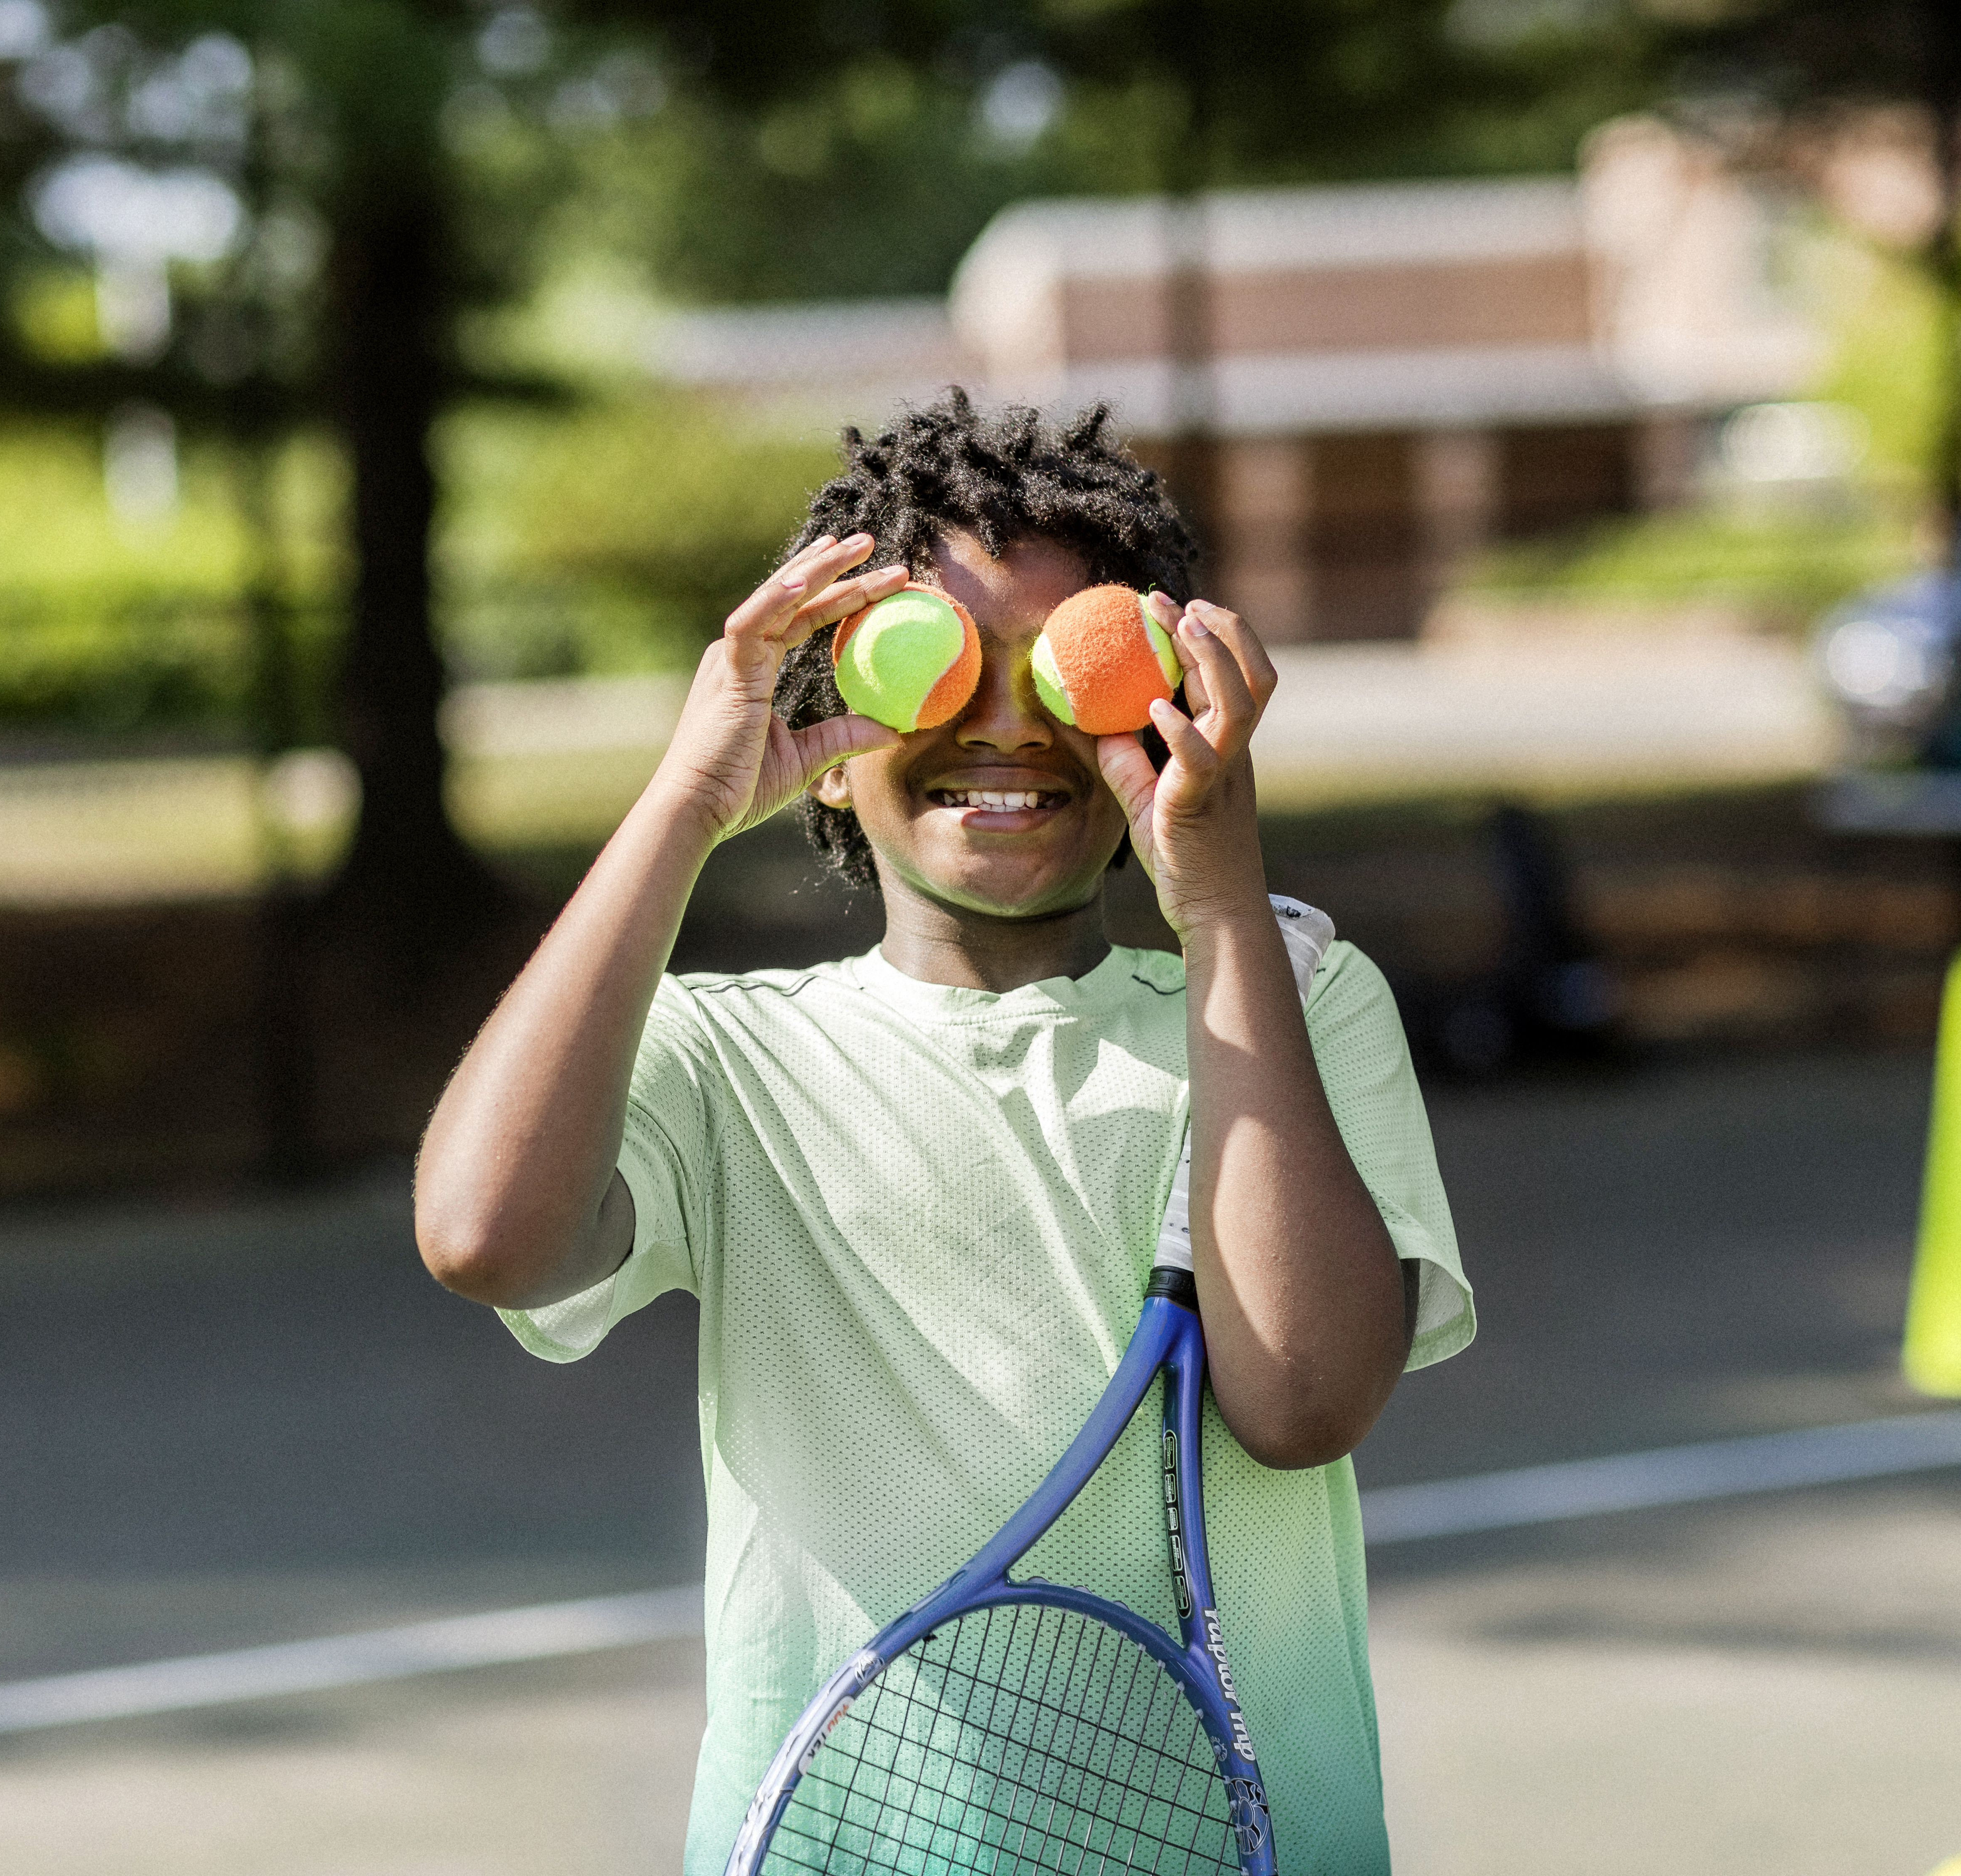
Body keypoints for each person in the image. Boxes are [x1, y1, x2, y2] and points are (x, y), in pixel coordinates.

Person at [414, 391, 1470, 1874]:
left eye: (1069, 671)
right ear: (830, 732)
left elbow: (1301, 1403)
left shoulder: (1289, 1000)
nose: (1006, 722)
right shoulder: (734, 1058)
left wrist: (1223, 900)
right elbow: (483, 1237)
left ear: (1166, 699)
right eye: (935, 668)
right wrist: (688, 794)